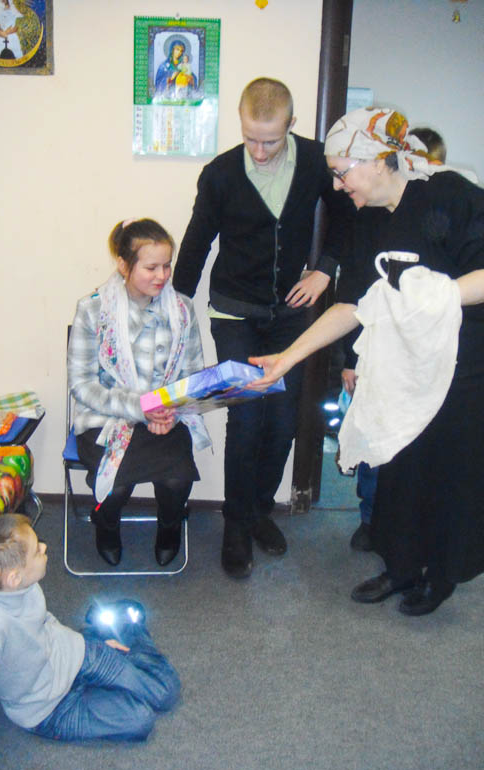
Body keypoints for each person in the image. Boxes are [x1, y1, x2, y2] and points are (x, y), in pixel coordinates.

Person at [249, 107, 484, 615]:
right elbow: (352, 305)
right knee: (400, 465)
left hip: (469, 363)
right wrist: (286, 359)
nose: (337, 185)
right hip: (408, 360)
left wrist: (428, 297)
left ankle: (440, 576)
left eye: (341, 172)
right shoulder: (369, 218)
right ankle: (400, 566)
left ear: (377, 159)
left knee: (448, 469)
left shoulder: (453, 195)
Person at [172, 77, 354, 579]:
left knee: (284, 420)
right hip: (235, 312)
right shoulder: (220, 174)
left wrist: (325, 269)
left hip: (290, 315)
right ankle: (235, 523)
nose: (258, 150)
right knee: (247, 418)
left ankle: (258, 511)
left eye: (269, 141)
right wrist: (175, 307)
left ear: (291, 125)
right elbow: (197, 242)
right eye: (250, 138)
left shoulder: (316, 161)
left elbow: (347, 215)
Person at [0, 514, 180, 770]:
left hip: (77, 654)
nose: (44, 547)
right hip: (51, 710)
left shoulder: (24, 585)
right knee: (141, 719)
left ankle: (116, 629)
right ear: (14, 578)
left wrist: (85, 642)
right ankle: (114, 627)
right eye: (36, 550)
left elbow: (44, 622)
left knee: (166, 693)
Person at [68, 218, 210, 567]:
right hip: (106, 419)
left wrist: (172, 411)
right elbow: (82, 385)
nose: (162, 276)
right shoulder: (93, 310)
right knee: (115, 488)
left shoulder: (182, 309)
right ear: (123, 264)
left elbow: (192, 375)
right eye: (151, 267)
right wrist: (140, 407)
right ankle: (106, 526)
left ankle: (169, 527)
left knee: (177, 481)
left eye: (167, 265)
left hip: (165, 416)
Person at [340, 126, 448, 553]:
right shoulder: (368, 216)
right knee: (372, 430)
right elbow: (353, 291)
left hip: (423, 352)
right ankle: (370, 517)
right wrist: (349, 359)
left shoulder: (442, 217)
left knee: (413, 441)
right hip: (376, 346)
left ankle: (409, 525)